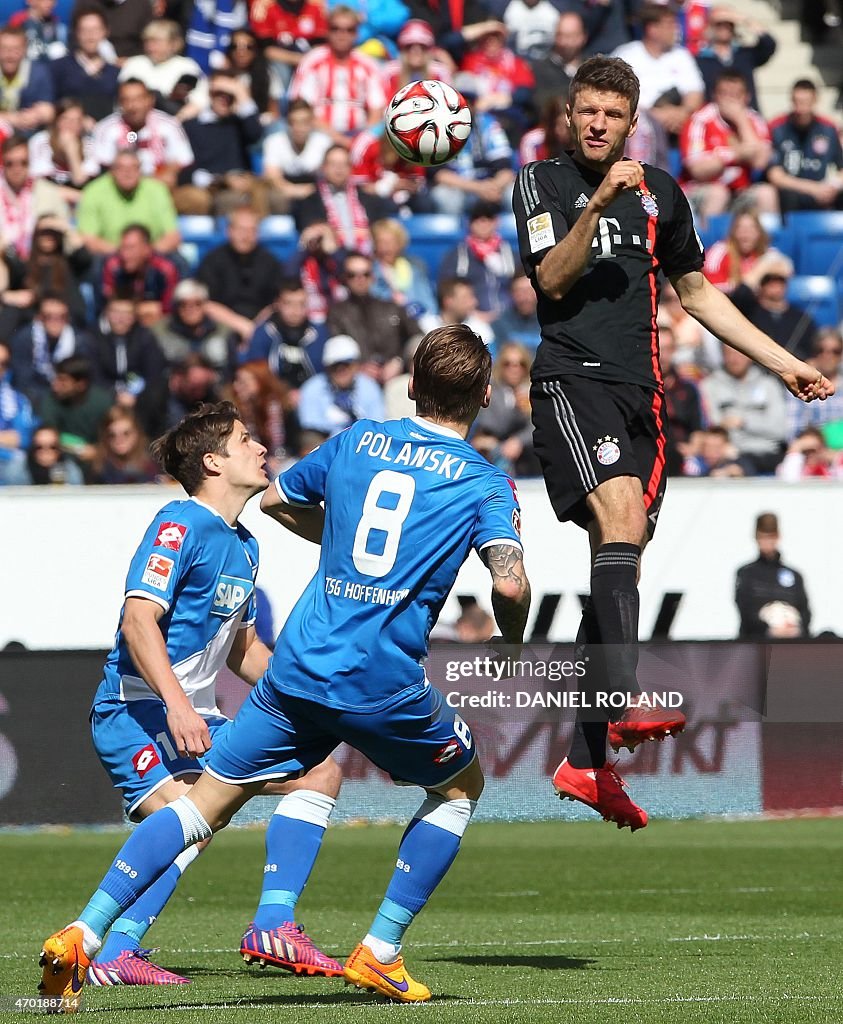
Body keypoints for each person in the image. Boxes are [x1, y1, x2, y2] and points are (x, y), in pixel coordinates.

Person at [39, 324, 531, 1006]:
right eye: (244, 441)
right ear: (485, 394)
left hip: (298, 668)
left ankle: (86, 933)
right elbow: (507, 585)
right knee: (457, 787)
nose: (259, 447)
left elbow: (278, 501)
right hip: (371, 678)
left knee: (214, 804)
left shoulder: (357, 440)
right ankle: (380, 949)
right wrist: (510, 647)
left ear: (410, 383)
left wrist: (346, 551)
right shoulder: (484, 481)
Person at [511, 55, 833, 830]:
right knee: (618, 522)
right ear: (568, 117)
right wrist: (597, 205)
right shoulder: (542, 183)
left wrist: (784, 361)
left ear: (631, 123)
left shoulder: (661, 193)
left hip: (643, 399)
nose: (596, 124)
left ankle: (585, 761)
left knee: (615, 566)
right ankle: (617, 699)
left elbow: (695, 291)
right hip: (573, 382)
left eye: (611, 115)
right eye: (585, 111)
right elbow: (551, 281)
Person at [37, 401, 344, 992]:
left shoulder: (247, 545)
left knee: (318, 776)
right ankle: (92, 939)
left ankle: (270, 924)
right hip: (133, 711)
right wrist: (178, 705)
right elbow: (138, 621)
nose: (261, 448)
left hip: (193, 712)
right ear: (212, 461)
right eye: (245, 440)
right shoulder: (177, 523)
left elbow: (245, 650)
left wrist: (317, 696)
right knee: (189, 814)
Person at [679, 70, 776, 219]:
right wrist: (737, 154)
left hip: (740, 192)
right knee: (718, 193)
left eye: (736, 95)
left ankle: (767, 242)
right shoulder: (700, 121)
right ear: (715, 96)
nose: (730, 100)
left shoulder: (754, 120)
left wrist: (741, 120)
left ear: (746, 97)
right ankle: (708, 241)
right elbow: (698, 170)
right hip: (701, 190)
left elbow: (760, 162)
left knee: (766, 194)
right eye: (725, 94)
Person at [196, 206, 283, 343]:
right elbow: (205, 303)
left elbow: (276, 303)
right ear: (229, 231)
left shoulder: (270, 262)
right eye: (241, 229)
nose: (246, 236)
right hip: (221, 325)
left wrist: (255, 329)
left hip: (262, 325)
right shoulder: (213, 260)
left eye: (251, 230)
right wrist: (243, 326)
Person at [76, 150, 182, 257]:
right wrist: (124, 255)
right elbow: (87, 238)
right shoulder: (94, 191)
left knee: (178, 260)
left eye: (133, 168)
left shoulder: (157, 190)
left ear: (140, 170)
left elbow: (172, 236)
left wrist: (144, 255)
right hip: (108, 256)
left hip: (150, 256)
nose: (127, 173)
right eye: (121, 168)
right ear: (112, 171)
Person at [767, 79, 843, 214]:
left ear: (815, 100)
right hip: (791, 192)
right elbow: (775, 175)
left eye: (805, 102)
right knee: (788, 196)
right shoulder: (778, 128)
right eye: (797, 102)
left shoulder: (828, 129)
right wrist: (812, 188)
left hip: (821, 192)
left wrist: (832, 187)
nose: (801, 108)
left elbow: (841, 168)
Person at [297, 333, 385, 443]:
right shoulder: (312, 388)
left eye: (346, 364)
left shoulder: (369, 387)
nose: (341, 370)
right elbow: (310, 432)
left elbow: (378, 427)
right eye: (335, 365)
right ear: (327, 367)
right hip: (326, 450)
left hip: (363, 447)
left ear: (356, 365)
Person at [735, 512, 811, 638]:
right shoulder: (747, 574)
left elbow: (805, 612)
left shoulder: (794, 575)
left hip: (790, 645)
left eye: (771, 537)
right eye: (763, 537)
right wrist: (770, 628)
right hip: (757, 644)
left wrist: (792, 626)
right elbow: (746, 611)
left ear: (778, 537)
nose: (767, 542)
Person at [694, 6, 776, 111]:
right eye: (719, 25)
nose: (724, 28)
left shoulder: (744, 54)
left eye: (728, 24)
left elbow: (769, 44)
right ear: (711, 27)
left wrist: (744, 19)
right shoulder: (700, 60)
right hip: (716, 119)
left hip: (747, 114)